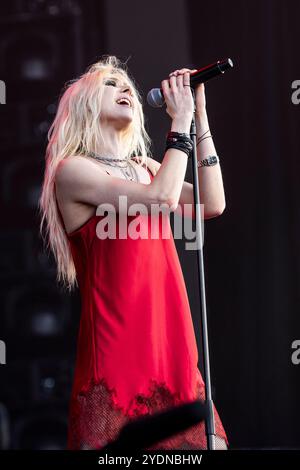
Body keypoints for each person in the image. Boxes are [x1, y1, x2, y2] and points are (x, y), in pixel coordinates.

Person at [38, 55, 228, 450]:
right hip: (118, 361)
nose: (125, 88)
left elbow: (212, 203)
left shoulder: (147, 169)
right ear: (83, 104)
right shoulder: (73, 171)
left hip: (173, 351)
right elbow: (160, 199)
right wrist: (178, 125)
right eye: (111, 84)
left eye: (127, 84)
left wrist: (199, 117)